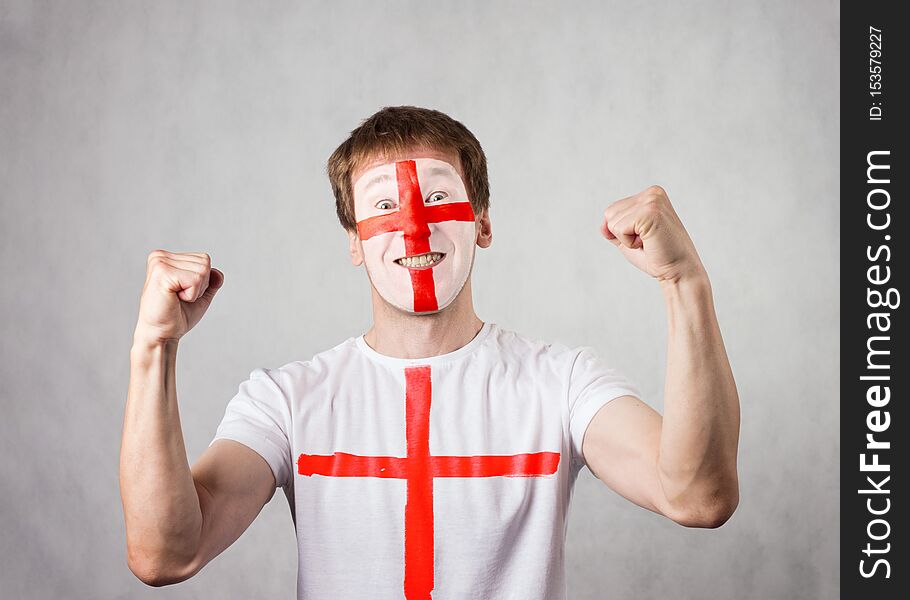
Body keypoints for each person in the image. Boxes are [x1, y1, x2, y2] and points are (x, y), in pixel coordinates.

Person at [120, 106, 740, 599]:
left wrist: (684, 284)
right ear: (355, 244)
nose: (413, 226)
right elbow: (166, 553)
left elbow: (698, 495)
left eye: (438, 197)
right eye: (385, 207)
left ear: (484, 224)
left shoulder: (561, 384)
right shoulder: (287, 401)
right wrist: (156, 347)